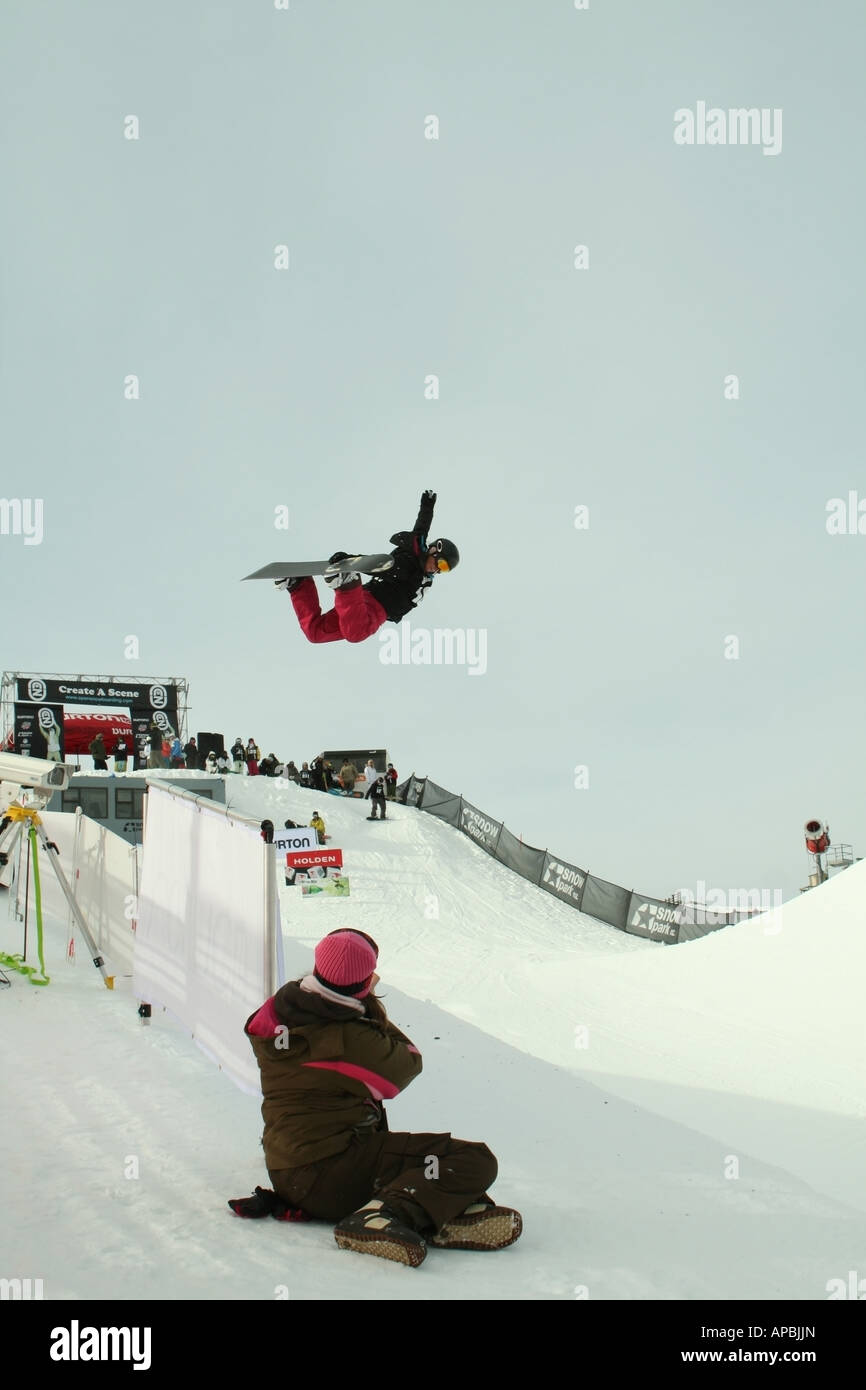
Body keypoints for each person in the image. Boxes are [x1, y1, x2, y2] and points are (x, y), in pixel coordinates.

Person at [228, 928, 522, 1267]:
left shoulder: (283, 1007)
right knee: (473, 1162)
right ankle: (381, 1216)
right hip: (328, 1175)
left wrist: (352, 1002)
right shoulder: (347, 1038)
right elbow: (407, 1063)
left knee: (438, 1176)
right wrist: (365, 1006)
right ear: (365, 981)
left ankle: (432, 1213)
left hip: (288, 1169)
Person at [275, 490, 459, 645]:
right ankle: (347, 583)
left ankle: (298, 585)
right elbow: (387, 564)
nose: (437, 570)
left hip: (359, 601)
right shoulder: (416, 565)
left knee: (316, 633)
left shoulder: (423, 567)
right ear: (434, 550)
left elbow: (420, 528)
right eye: (440, 563)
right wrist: (351, 564)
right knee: (356, 633)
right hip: (375, 607)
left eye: (444, 570)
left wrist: (350, 561)